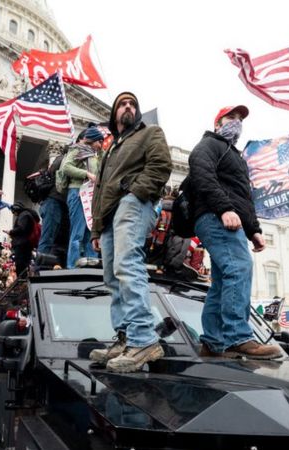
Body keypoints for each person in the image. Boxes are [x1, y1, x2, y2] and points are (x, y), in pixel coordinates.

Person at [186, 105, 281, 359]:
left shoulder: (235, 156)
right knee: (239, 268)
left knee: (222, 282)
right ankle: (238, 337)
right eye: (231, 118)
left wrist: (254, 230)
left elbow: (243, 197)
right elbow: (201, 174)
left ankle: (213, 343)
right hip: (216, 217)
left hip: (229, 219)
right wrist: (224, 208)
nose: (236, 122)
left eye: (240, 119)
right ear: (218, 123)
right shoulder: (209, 144)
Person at [88, 92, 172, 373]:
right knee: (112, 276)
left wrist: (135, 194)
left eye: (132, 104)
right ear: (114, 113)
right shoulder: (111, 149)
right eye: (122, 103)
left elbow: (161, 166)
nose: (128, 107)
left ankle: (143, 339)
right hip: (109, 216)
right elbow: (99, 191)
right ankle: (125, 339)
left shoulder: (150, 134)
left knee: (127, 265)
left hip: (132, 204)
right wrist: (96, 230)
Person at [61, 126, 103, 268]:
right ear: (94, 140)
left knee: (90, 234)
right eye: (100, 142)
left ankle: (91, 267)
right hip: (78, 192)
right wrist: (87, 174)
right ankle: (72, 267)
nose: (101, 145)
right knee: (77, 233)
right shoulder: (77, 149)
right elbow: (66, 167)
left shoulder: (95, 155)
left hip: (91, 196)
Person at [35, 145, 68, 258]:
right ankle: (40, 268)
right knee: (48, 238)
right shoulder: (63, 159)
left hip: (57, 202)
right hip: (54, 201)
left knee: (54, 240)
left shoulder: (59, 160)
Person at [6, 202, 40, 277]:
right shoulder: (27, 214)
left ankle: (21, 282)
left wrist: (11, 231)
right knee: (24, 264)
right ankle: (23, 281)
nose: (13, 214)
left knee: (20, 265)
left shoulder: (23, 215)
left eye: (13, 211)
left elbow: (21, 228)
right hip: (26, 244)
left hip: (22, 245)